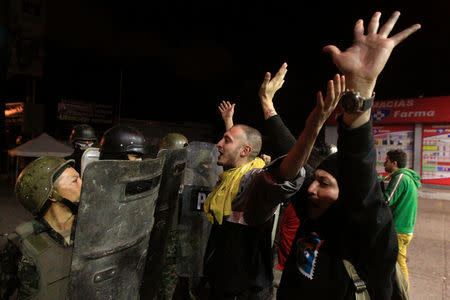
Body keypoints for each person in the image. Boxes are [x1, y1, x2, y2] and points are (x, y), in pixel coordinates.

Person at [254, 11, 420, 299]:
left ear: (349, 194)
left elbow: (361, 178)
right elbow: (295, 158)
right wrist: (269, 106)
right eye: (316, 181)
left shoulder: (369, 241)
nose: (312, 189)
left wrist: (360, 95)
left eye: (325, 183)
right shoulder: (314, 212)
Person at [202, 65, 344, 299]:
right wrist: (233, 120)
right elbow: (237, 154)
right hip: (222, 279)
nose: (312, 189)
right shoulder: (232, 174)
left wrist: (313, 126)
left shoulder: (253, 181)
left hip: (243, 290)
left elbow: (285, 171)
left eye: (225, 140)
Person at [0, 156, 82, 299]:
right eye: (75, 181)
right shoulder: (21, 244)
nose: (84, 184)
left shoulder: (91, 231)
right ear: (52, 195)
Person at [383, 149, 421, 284]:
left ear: (394, 163)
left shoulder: (400, 177)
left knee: (400, 266)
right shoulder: (408, 177)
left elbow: (387, 200)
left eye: (386, 160)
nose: (384, 163)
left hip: (399, 230)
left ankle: (403, 293)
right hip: (404, 229)